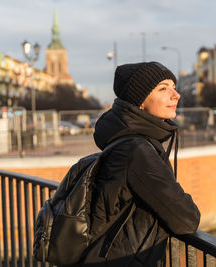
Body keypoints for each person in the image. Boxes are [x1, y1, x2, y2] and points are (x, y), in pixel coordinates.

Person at [81, 62, 201, 266]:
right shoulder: (136, 150)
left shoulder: (128, 141)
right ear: (140, 101)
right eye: (163, 88)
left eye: (173, 86)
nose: (176, 94)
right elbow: (187, 219)